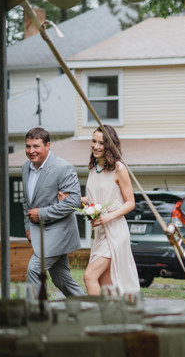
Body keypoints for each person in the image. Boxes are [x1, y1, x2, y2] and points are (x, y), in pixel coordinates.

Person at [60, 125, 140, 296]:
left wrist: (108, 217)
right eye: (94, 141)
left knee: (89, 276)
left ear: (109, 145)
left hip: (115, 232)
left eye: (101, 143)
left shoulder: (119, 168)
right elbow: (95, 199)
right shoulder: (93, 168)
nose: (96, 146)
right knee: (106, 285)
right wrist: (71, 198)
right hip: (99, 233)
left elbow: (130, 202)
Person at [22, 127, 86, 296]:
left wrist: (41, 214)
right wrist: (28, 225)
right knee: (61, 278)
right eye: (28, 146)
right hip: (40, 233)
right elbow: (26, 200)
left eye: (36, 146)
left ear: (48, 145)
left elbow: (73, 201)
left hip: (59, 232)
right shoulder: (25, 168)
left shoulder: (63, 168)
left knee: (34, 269)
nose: (31, 151)